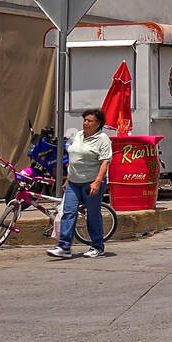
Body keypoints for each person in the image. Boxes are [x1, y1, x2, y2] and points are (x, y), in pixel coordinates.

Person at [47, 109, 112, 259]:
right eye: (85, 120)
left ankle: (97, 246)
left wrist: (97, 182)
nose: (86, 123)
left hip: (91, 183)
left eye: (90, 121)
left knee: (92, 215)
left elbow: (104, 163)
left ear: (99, 124)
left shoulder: (103, 139)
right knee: (68, 212)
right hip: (73, 183)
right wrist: (68, 179)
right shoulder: (77, 135)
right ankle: (64, 246)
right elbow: (73, 158)